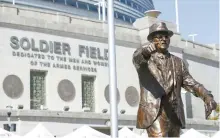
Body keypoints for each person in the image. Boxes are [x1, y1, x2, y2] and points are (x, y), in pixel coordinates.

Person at [132, 22, 217, 137]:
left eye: (166, 36)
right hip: (155, 112)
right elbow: (137, 59)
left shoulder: (178, 62)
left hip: (174, 113)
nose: (163, 39)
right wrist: (145, 52)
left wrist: (207, 96)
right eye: (159, 36)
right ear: (152, 40)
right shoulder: (145, 60)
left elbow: (191, 83)